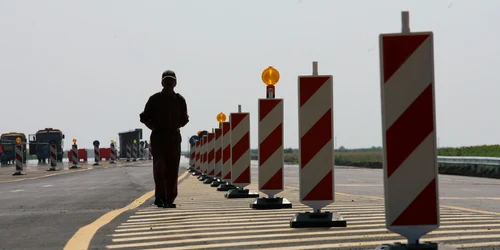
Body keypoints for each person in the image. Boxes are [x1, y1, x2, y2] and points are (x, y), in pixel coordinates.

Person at [139, 69, 189, 208]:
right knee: (159, 167)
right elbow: (144, 117)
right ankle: (160, 198)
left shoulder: (180, 100)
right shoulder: (154, 99)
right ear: (162, 82)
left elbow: (185, 119)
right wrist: (153, 127)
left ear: (175, 83)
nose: (168, 83)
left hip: (173, 138)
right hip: (158, 138)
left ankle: (169, 199)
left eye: (171, 81)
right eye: (166, 81)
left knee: (172, 170)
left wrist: (176, 126)